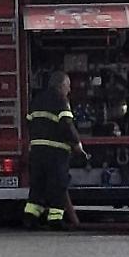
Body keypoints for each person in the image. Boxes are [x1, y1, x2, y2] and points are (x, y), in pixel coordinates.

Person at [23, 71, 87, 229]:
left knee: (37, 186)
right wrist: (77, 144)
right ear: (61, 86)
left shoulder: (36, 100)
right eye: (68, 86)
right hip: (56, 153)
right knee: (58, 186)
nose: (69, 90)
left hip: (37, 152)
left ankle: (30, 217)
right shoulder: (61, 101)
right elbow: (66, 125)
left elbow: (28, 122)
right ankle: (55, 220)